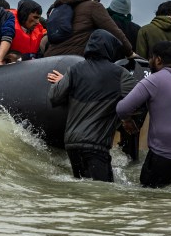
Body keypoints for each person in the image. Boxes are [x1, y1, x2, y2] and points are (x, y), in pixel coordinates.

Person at [47, 30, 138, 182]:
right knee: (102, 195)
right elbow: (138, 99)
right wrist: (126, 119)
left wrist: (62, 82)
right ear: (110, 49)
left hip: (72, 144)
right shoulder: (119, 74)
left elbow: (54, 97)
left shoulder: (74, 70)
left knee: (84, 192)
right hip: (96, 145)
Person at [116, 41, 171, 188]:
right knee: (169, 197)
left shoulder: (154, 80)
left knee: (147, 194)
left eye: (151, 57)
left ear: (158, 59)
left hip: (169, 152)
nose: (149, 61)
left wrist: (127, 120)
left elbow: (122, 108)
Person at [44, 0, 134, 59]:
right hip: (72, 60)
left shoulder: (61, 7)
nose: (99, 3)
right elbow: (114, 32)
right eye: (98, 0)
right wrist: (130, 52)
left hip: (50, 58)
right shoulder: (93, 6)